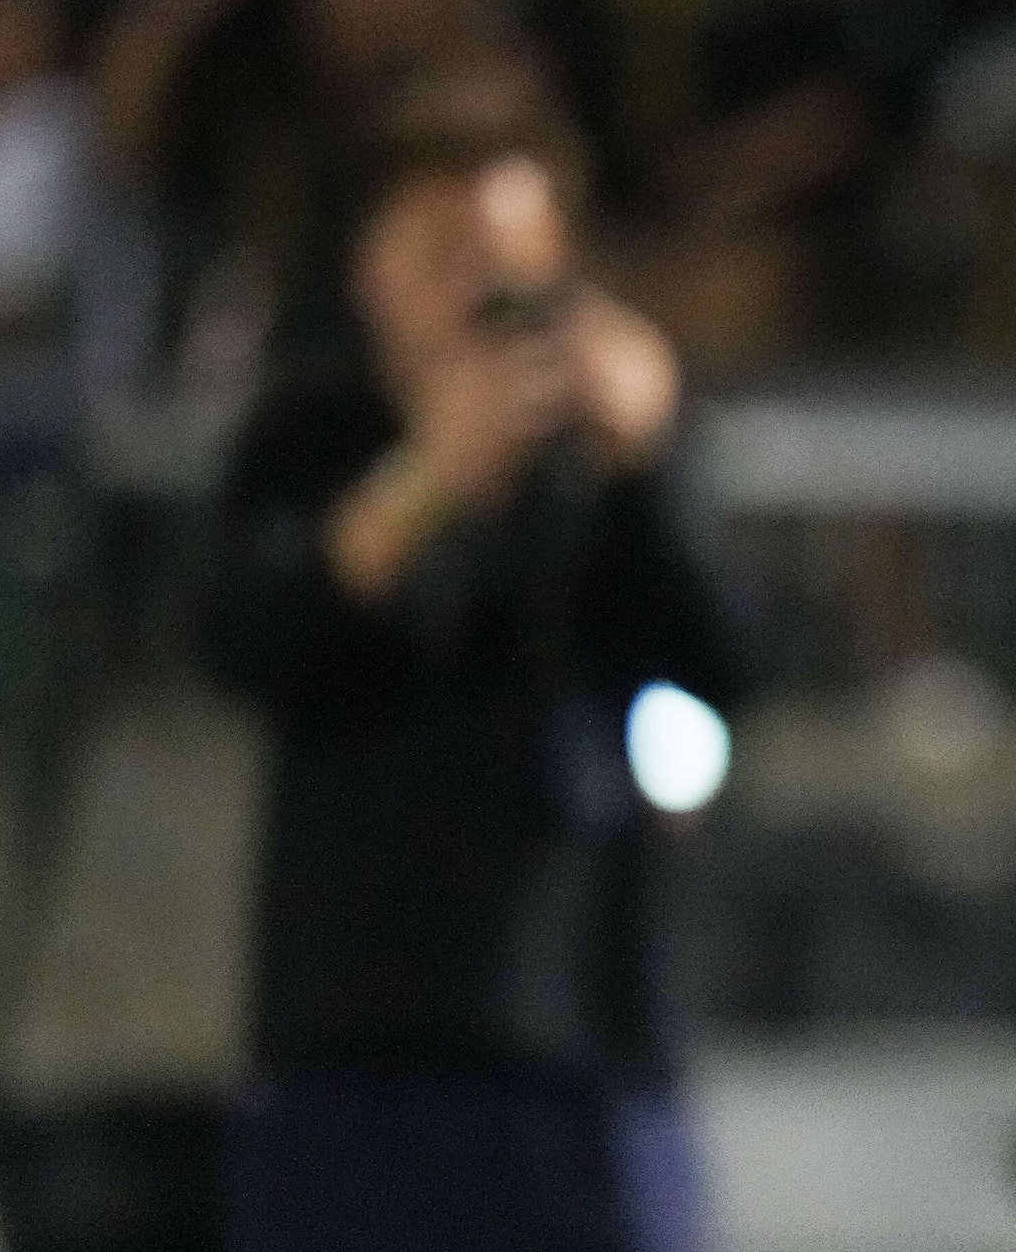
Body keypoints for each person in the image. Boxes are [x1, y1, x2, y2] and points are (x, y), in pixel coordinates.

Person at [202, 96, 738, 1252]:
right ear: (367, 272)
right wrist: (423, 483)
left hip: (586, 1046)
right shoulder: (311, 438)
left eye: (509, 265)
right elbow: (242, 642)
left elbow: (731, 661)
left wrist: (644, 463)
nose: (479, 296)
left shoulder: (614, 458)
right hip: (354, 1051)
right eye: (441, 257)